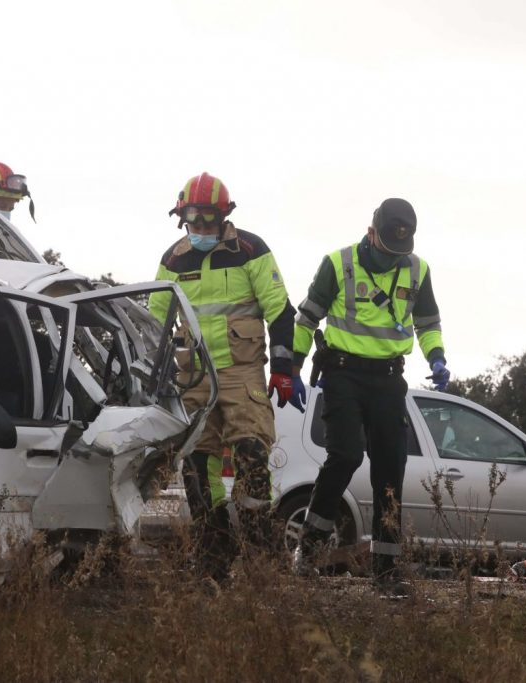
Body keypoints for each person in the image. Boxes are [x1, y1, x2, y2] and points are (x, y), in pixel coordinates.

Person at [291, 197, 449, 597]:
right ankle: (307, 550)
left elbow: (427, 322)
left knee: (390, 468)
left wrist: (437, 356)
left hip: (389, 378)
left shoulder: (417, 268)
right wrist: (290, 367)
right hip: (343, 373)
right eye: (387, 247)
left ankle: (386, 571)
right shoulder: (338, 263)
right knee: (345, 455)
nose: (393, 257)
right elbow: (307, 317)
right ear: (371, 232)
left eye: (401, 250)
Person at [148, 172, 302, 572]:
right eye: (192, 221)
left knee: (252, 453)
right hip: (194, 377)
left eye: (207, 221)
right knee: (198, 466)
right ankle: (215, 549)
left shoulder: (251, 251)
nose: (200, 229)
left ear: (223, 216)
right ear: (182, 217)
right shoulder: (173, 261)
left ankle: (258, 544)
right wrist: (151, 378)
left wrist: (284, 367)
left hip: (241, 371)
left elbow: (281, 312)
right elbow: (154, 325)